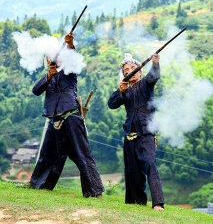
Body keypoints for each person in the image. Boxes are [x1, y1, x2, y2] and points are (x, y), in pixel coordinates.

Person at [28, 33, 105, 198]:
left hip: (71, 117)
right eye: (49, 56)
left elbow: (72, 58)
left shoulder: (69, 71)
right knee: (47, 154)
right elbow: (36, 90)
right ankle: (38, 185)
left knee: (82, 154)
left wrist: (70, 45)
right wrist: (49, 76)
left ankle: (94, 192)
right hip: (54, 120)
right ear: (47, 60)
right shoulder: (48, 76)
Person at [107, 53, 165, 211]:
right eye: (126, 70)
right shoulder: (124, 90)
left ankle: (158, 203)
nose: (130, 71)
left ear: (140, 72)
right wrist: (121, 91)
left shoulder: (145, 83)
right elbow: (111, 104)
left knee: (150, 165)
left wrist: (155, 63)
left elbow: (154, 77)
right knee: (132, 172)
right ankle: (136, 204)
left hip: (146, 132)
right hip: (129, 134)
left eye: (133, 68)